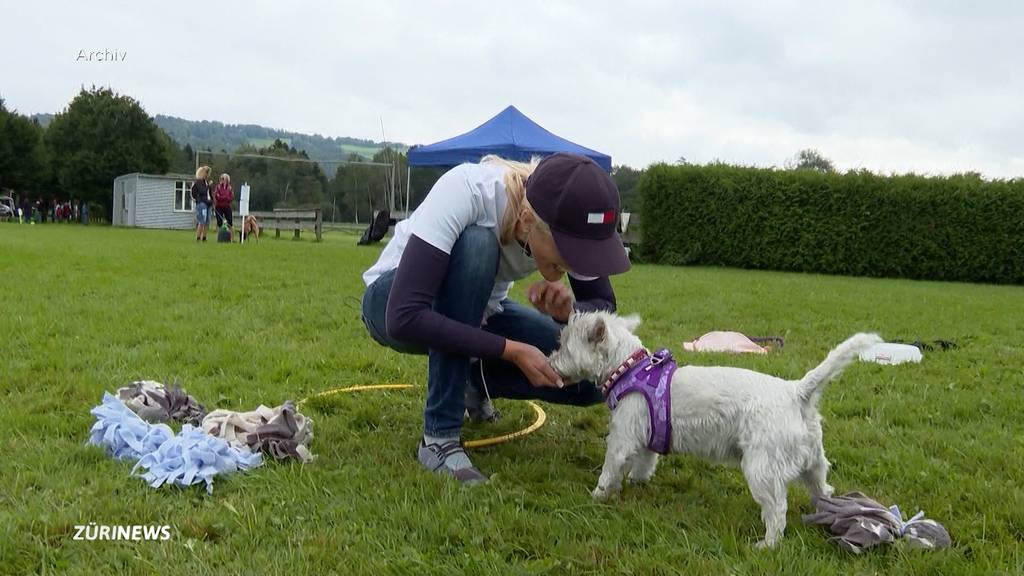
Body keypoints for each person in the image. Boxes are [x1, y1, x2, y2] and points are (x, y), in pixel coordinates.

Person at [361, 153, 630, 484]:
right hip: (391, 303)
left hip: (481, 315)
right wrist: (510, 351)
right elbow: (403, 317)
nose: (578, 263)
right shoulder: (469, 190)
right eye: (570, 251)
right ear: (528, 219)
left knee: (589, 379)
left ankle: (472, 379)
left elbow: (603, 305)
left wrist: (570, 313)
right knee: (478, 243)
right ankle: (439, 437)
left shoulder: (565, 216)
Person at [190, 166, 213, 242]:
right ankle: (198, 237)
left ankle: (204, 237)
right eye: (206, 173)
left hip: (208, 203)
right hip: (201, 203)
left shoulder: (206, 182)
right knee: (202, 221)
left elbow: (209, 193)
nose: (208, 175)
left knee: (207, 221)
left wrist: (212, 201)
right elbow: (202, 191)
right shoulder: (199, 183)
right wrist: (208, 186)